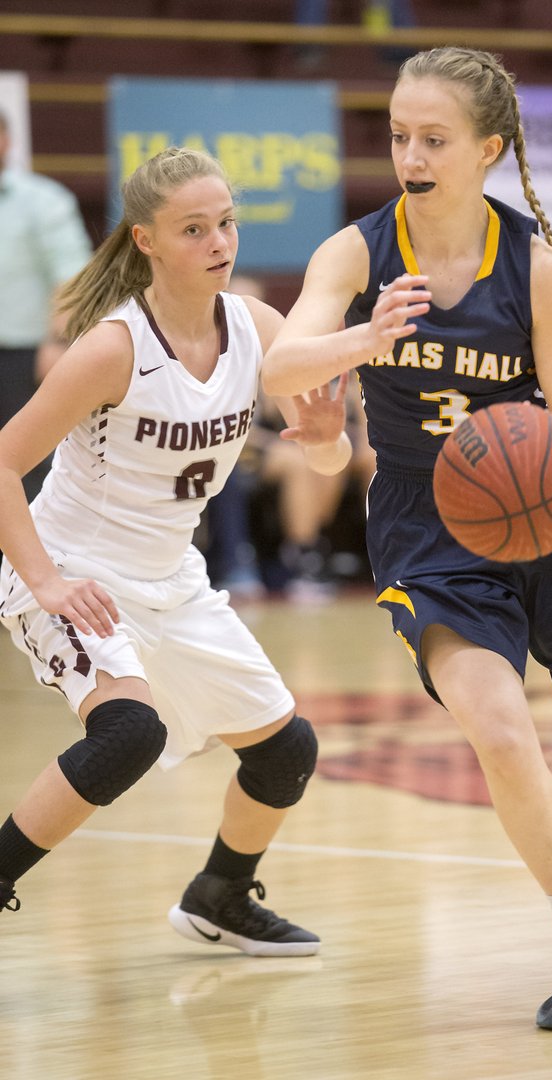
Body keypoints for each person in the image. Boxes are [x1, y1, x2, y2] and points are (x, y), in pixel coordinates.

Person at [262, 46, 552, 1031]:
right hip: (429, 529)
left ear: (488, 149)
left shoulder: (537, 267)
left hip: (551, 510)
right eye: (396, 136)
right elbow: (283, 361)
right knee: (500, 732)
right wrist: (358, 341)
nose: (409, 156)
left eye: (433, 138)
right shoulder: (356, 252)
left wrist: (521, 449)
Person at [0, 147, 352, 956]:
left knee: (286, 751)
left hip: (173, 580)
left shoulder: (259, 330)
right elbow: (5, 462)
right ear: (147, 241)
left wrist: (328, 440)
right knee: (128, 736)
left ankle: (220, 897)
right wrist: (46, 581)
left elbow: (326, 461)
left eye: (225, 222)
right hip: (77, 572)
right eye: (194, 229)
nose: (218, 241)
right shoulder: (113, 348)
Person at [0, 108, 93, 503]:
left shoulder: (43, 201)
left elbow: (71, 277)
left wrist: (59, 342)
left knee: (25, 463)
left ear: (6, 140)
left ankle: (30, 564)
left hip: (23, 354)